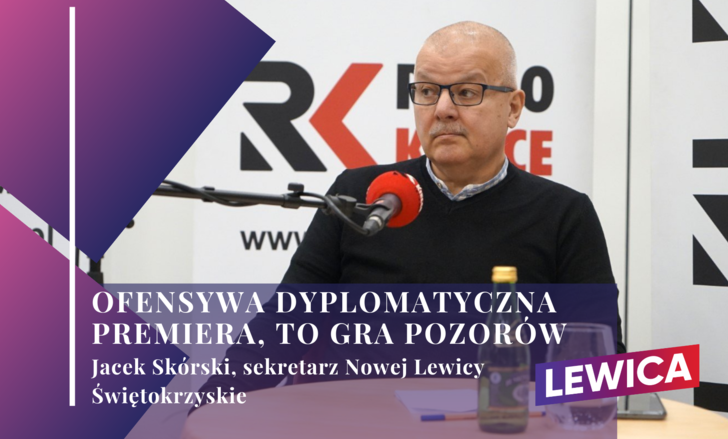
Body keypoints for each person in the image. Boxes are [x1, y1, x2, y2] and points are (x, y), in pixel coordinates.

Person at [194, 21, 624, 406]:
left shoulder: (563, 214)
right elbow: (281, 329)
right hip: (354, 423)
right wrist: (204, 412)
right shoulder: (362, 196)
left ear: (513, 107)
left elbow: (599, 362)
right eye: (427, 91)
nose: (442, 109)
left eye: (467, 92)